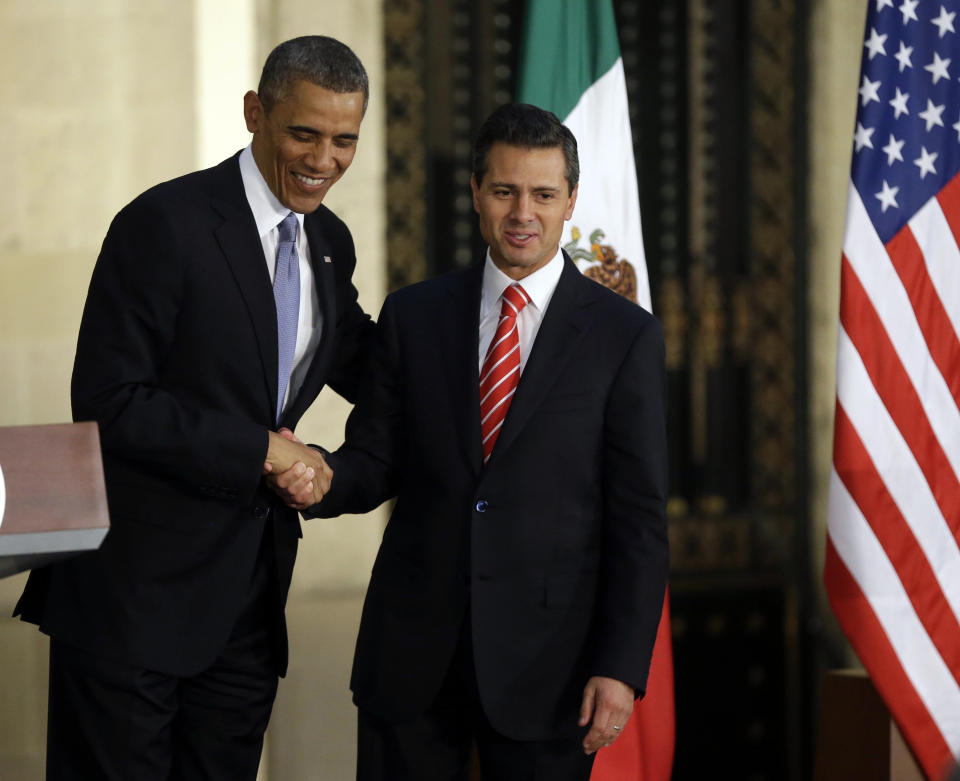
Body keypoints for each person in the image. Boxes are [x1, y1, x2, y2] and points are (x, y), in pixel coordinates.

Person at [14, 35, 374, 780]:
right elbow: (110, 401)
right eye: (304, 133)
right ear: (256, 113)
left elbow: (373, 365)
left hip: (244, 613)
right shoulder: (164, 224)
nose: (323, 159)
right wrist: (261, 448)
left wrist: (540, 330)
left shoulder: (330, 243)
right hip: (132, 605)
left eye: (345, 140)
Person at [276, 102, 669, 781]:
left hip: (552, 669)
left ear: (570, 200)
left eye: (543, 194)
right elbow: (376, 459)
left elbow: (639, 518)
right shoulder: (415, 314)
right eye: (505, 190)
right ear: (476, 194)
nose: (524, 212)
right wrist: (317, 475)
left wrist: (620, 666)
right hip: (412, 660)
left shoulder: (622, 336)